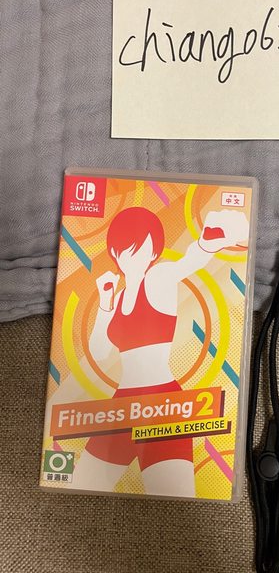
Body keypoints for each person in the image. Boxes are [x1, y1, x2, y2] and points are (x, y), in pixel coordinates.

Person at [71, 206, 249, 496]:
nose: (138, 259)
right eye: (129, 251)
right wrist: (105, 303)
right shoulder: (117, 297)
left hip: (163, 404)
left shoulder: (157, 279)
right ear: (115, 253)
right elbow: (99, 352)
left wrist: (206, 242)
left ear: (154, 253)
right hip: (122, 406)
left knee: (177, 495)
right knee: (82, 484)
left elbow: (187, 263)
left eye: (145, 251)